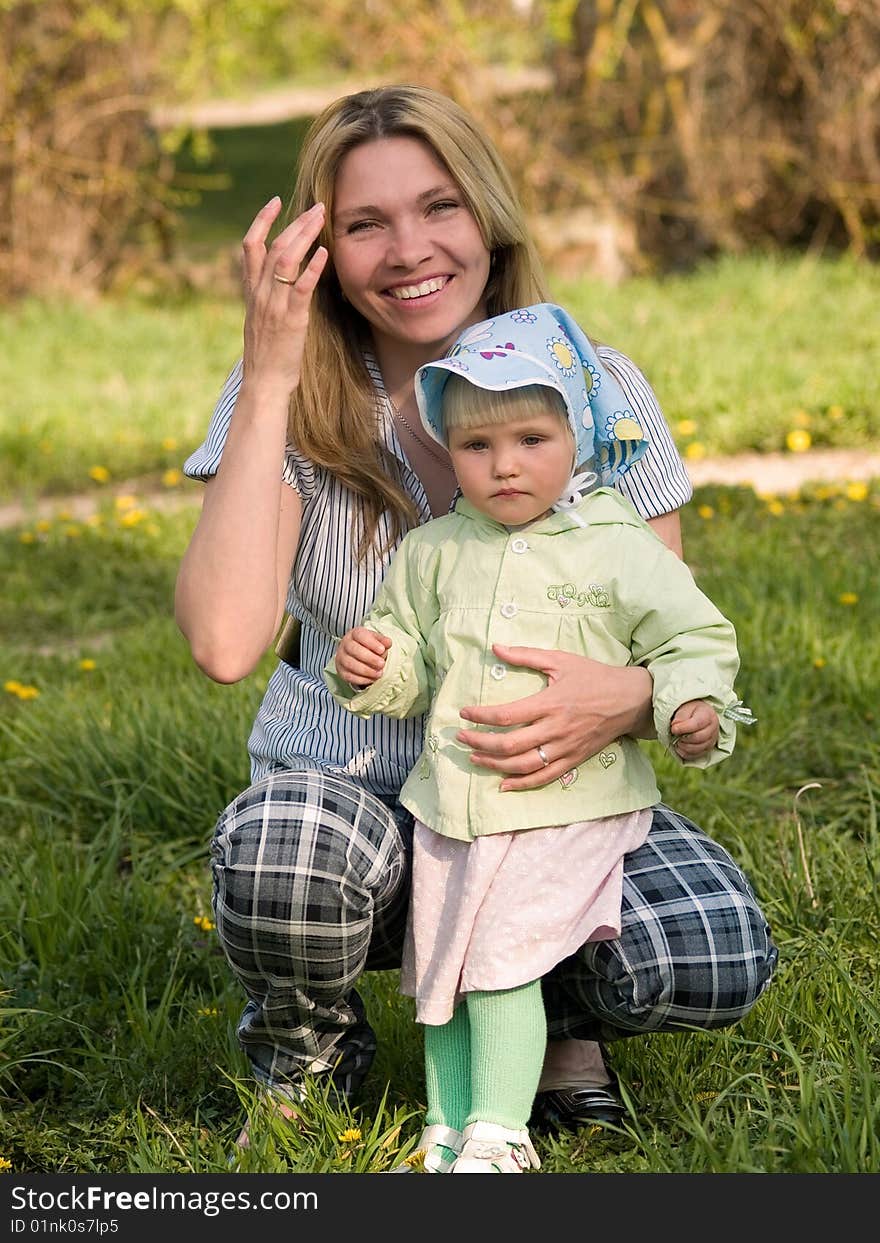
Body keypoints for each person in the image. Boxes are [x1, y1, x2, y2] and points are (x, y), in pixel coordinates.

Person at [174, 84, 778, 1151]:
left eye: (438, 206)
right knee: (285, 852)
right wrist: (267, 371)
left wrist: (636, 696)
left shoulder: (598, 392)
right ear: (325, 250)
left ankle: (557, 1025)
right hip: (352, 797)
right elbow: (224, 642)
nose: (410, 249)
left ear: (487, 219)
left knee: (707, 946)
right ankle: (306, 1041)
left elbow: (669, 628)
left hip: (546, 805)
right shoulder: (290, 400)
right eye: (365, 223)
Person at [324, 302, 755, 1172]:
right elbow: (410, 664)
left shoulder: (614, 545)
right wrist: (372, 665)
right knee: (440, 975)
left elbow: (692, 640)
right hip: (455, 804)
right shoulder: (435, 550)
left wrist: (685, 708)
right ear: (451, 452)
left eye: (530, 440)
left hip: (565, 804)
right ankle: (445, 1127)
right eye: (477, 447)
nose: (504, 466)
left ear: (577, 439)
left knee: (503, 962)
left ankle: (501, 1131)